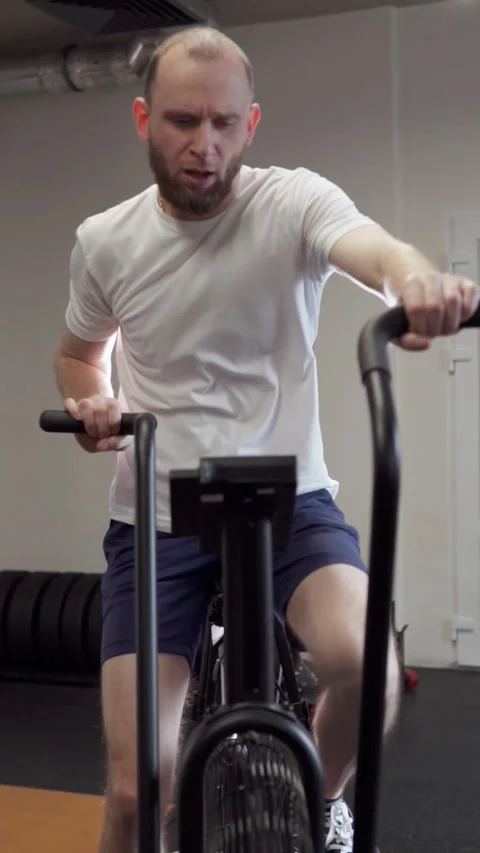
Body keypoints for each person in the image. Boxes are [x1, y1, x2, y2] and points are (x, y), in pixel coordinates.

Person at [53, 24, 480, 853]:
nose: (203, 146)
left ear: (251, 125)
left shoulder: (292, 201)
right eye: (182, 121)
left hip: (293, 501)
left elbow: (375, 249)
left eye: (223, 124)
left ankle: (316, 799)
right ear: (144, 119)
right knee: (136, 792)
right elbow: (78, 355)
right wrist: (92, 402)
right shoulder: (106, 240)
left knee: (368, 670)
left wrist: (415, 279)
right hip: (158, 515)